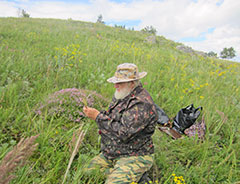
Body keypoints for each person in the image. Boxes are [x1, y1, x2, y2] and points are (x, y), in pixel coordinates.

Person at [83, 63, 158, 184]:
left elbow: (124, 133)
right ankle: (129, 176)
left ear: (132, 83)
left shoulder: (141, 104)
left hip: (134, 155)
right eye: (116, 82)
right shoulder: (122, 94)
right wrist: (98, 115)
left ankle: (137, 176)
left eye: (120, 82)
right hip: (112, 153)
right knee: (88, 173)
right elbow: (112, 118)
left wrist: (97, 117)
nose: (115, 85)